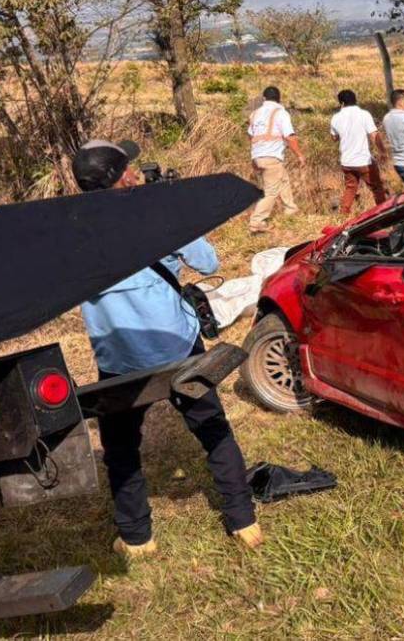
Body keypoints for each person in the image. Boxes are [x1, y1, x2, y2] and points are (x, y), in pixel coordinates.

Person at [71, 140, 261, 557]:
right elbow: (209, 264)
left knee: (120, 449)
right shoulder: (156, 212)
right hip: (177, 346)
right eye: (131, 168)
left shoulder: (71, 228)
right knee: (212, 429)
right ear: (124, 177)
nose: (138, 172)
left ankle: (137, 538)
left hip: (117, 358)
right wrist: (174, 210)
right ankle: (243, 521)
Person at [248, 86, 304, 235]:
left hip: (257, 157)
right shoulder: (281, 113)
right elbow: (290, 136)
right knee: (271, 191)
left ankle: (291, 209)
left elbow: (250, 135)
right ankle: (256, 222)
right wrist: (299, 154)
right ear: (279, 99)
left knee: (283, 179)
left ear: (264, 98)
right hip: (271, 156)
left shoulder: (255, 113)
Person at [330, 89, 387, 215]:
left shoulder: (335, 117)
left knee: (350, 188)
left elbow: (334, 138)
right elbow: (373, 135)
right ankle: (384, 213)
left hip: (347, 161)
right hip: (364, 161)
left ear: (341, 103)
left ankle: (343, 216)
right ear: (355, 100)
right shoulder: (364, 114)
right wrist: (383, 151)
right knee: (377, 188)